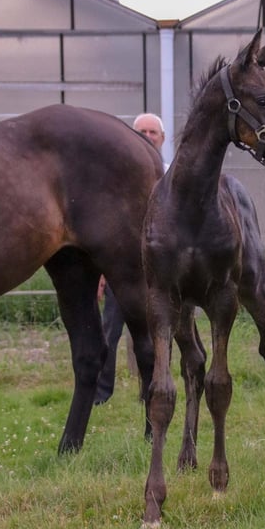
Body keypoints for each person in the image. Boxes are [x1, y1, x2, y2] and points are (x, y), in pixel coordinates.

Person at [95, 112, 166, 405]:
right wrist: (100, 272)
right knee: (109, 332)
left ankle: (154, 390)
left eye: (153, 132)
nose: (148, 137)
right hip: (120, 271)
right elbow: (103, 230)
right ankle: (101, 394)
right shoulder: (114, 177)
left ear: (162, 139)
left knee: (159, 335)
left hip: (159, 273)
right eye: (142, 132)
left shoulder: (171, 174)